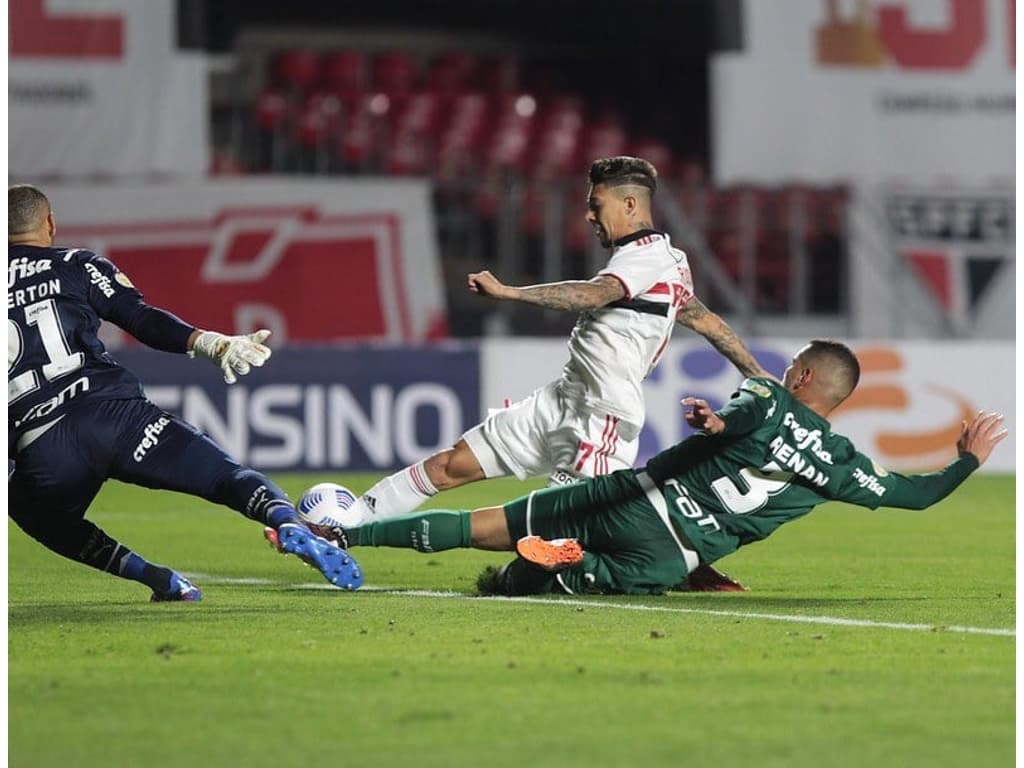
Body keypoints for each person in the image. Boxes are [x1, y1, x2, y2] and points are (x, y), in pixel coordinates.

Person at [326, 156, 768, 591]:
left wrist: (510, 293)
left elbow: (595, 295)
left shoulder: (645, 257)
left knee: (540, 535)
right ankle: (345, 524)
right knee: (450, 465)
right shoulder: (664, 263)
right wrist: (759, 374)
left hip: (601, 418)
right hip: (561, 401)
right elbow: (704, 319)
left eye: (596, 204)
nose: (589, 214)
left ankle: (682, 565)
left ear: (630, 205)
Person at [319, 340, 1006, 595]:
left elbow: (739, 418)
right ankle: (566, 568)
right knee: (544, 582)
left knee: (479, 524)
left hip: (629, 493)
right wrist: (967, 461)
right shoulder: (839, 462)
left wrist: (714, 423)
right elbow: (913, 498)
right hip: (667, 549)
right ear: (836, 397)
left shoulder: (764, 397)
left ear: (798, 373)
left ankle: (348, 534)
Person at [7, 183, 361, 601]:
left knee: (37, 513)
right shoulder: (74, 264)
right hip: (116, 416)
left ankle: (160, 580)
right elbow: (139, 319)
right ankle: (285, 521)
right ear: (49, 223)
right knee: (227, 475)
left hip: (44, 445)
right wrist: (209, 343)